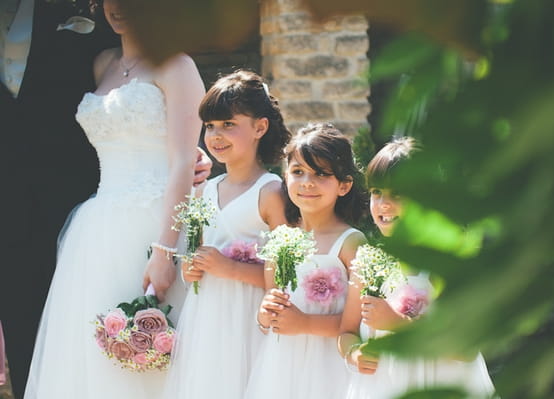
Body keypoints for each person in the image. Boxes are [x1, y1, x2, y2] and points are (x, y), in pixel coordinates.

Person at [23, 0, 206, 397]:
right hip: (95, 228)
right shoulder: (100, 62)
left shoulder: (177, 66)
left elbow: (181, 162)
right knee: (95, 355)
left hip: (156, 222)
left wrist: (164, 249)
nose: (119, 7)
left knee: (157, 352)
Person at [0, 0, 118, 396]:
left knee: (89, 337)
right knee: (21, 337)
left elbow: (130, 83)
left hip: (80, 208)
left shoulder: (83, 11)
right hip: (7, 219)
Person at [161, 69, 291, 399]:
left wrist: (230, 269)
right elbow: (200, 254)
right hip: (208, 318)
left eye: (228, 124)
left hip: (249, 318)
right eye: (210, 126)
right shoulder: (206, 191)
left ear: (260, 127)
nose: (216, 135)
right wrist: (191, 269)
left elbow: (288, 275)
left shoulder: (271, 192)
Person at [338, 137, 496, 398]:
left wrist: (400, 324)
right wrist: (354, 353)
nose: (383, 204)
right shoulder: (370, 262)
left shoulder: (445, 259)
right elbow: (346, 332)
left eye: (397, 194)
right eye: (377, 192)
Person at [244, 123, 368, 399]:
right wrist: (265, 315)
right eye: (298, 172)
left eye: (321, 174)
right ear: (285, 176)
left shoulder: (350, 243)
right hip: (281, 365)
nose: (307, 183)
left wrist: (305, 324)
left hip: (329, 365)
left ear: (344, 185)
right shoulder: (279, 240)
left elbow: (358, 324)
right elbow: (270, 302)